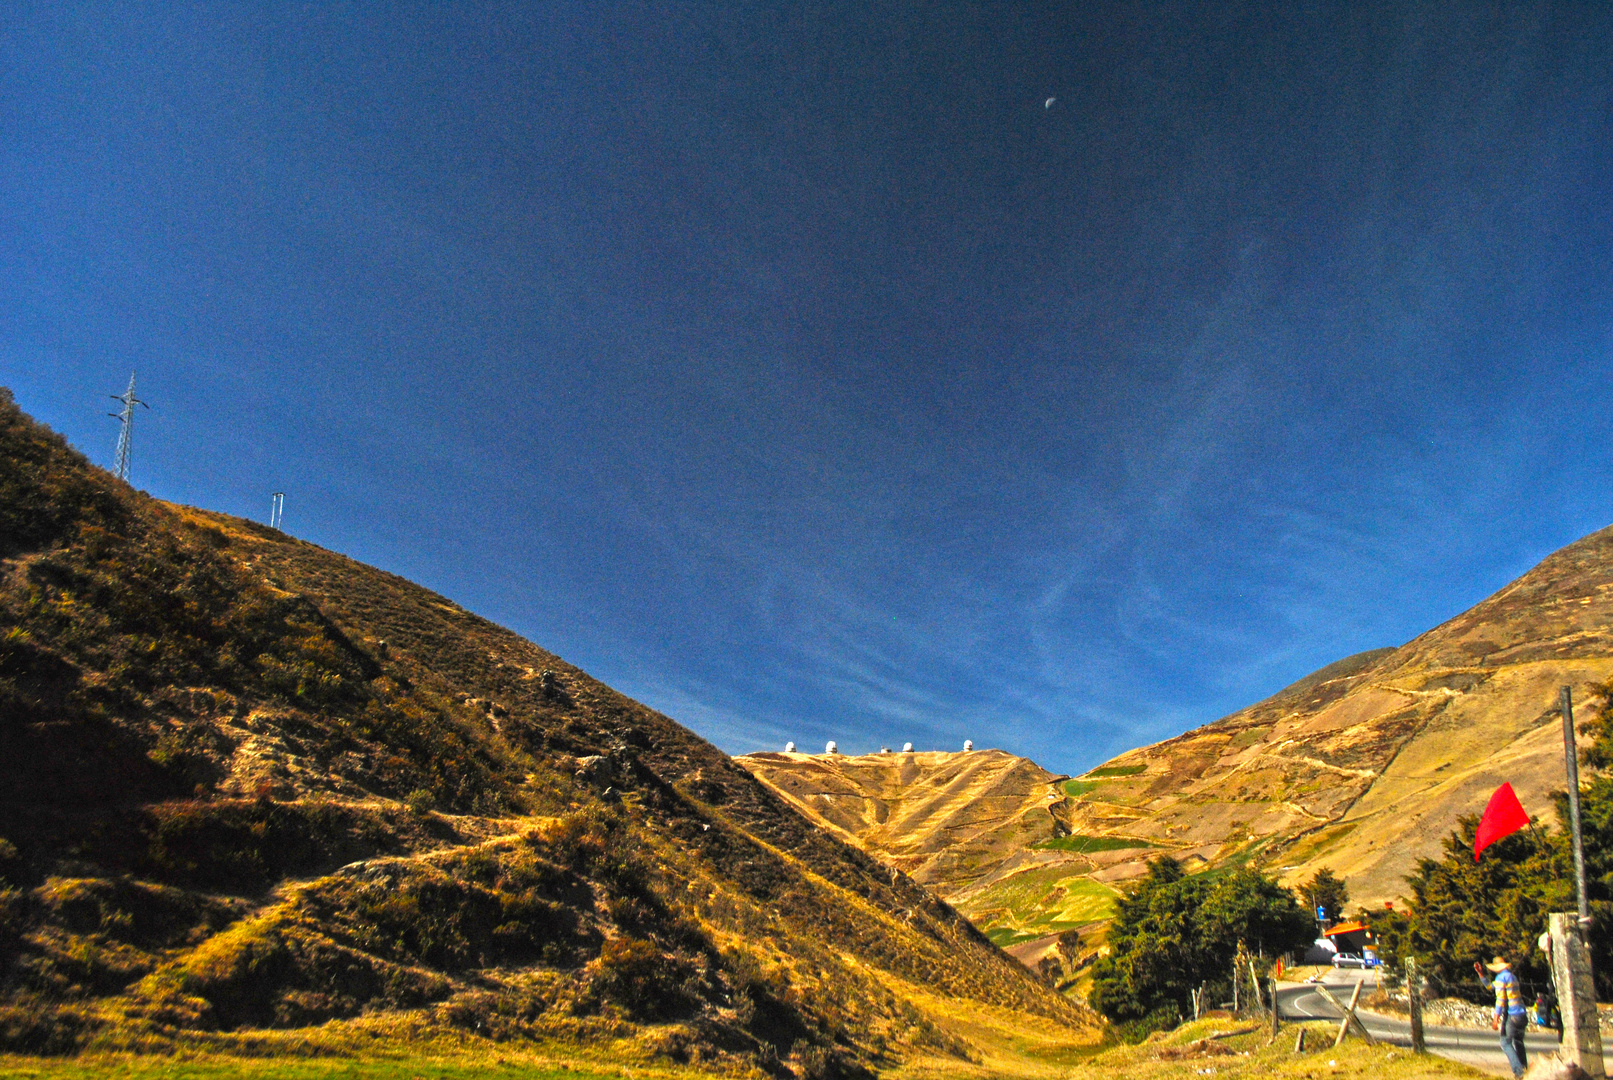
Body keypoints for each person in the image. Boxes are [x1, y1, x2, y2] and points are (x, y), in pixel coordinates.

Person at [1476, 956, 1528, 1077]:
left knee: (1505, 1042)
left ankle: (1519, 1071)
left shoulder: (1501, 978)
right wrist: (1481, 974)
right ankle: (1524, 1068)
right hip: (1522, 1015)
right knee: (1518, 1041)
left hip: (1512, 1015)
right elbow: (1490, 986)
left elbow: (1500, 1000)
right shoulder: (1512, 977)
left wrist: (1496, 1019)